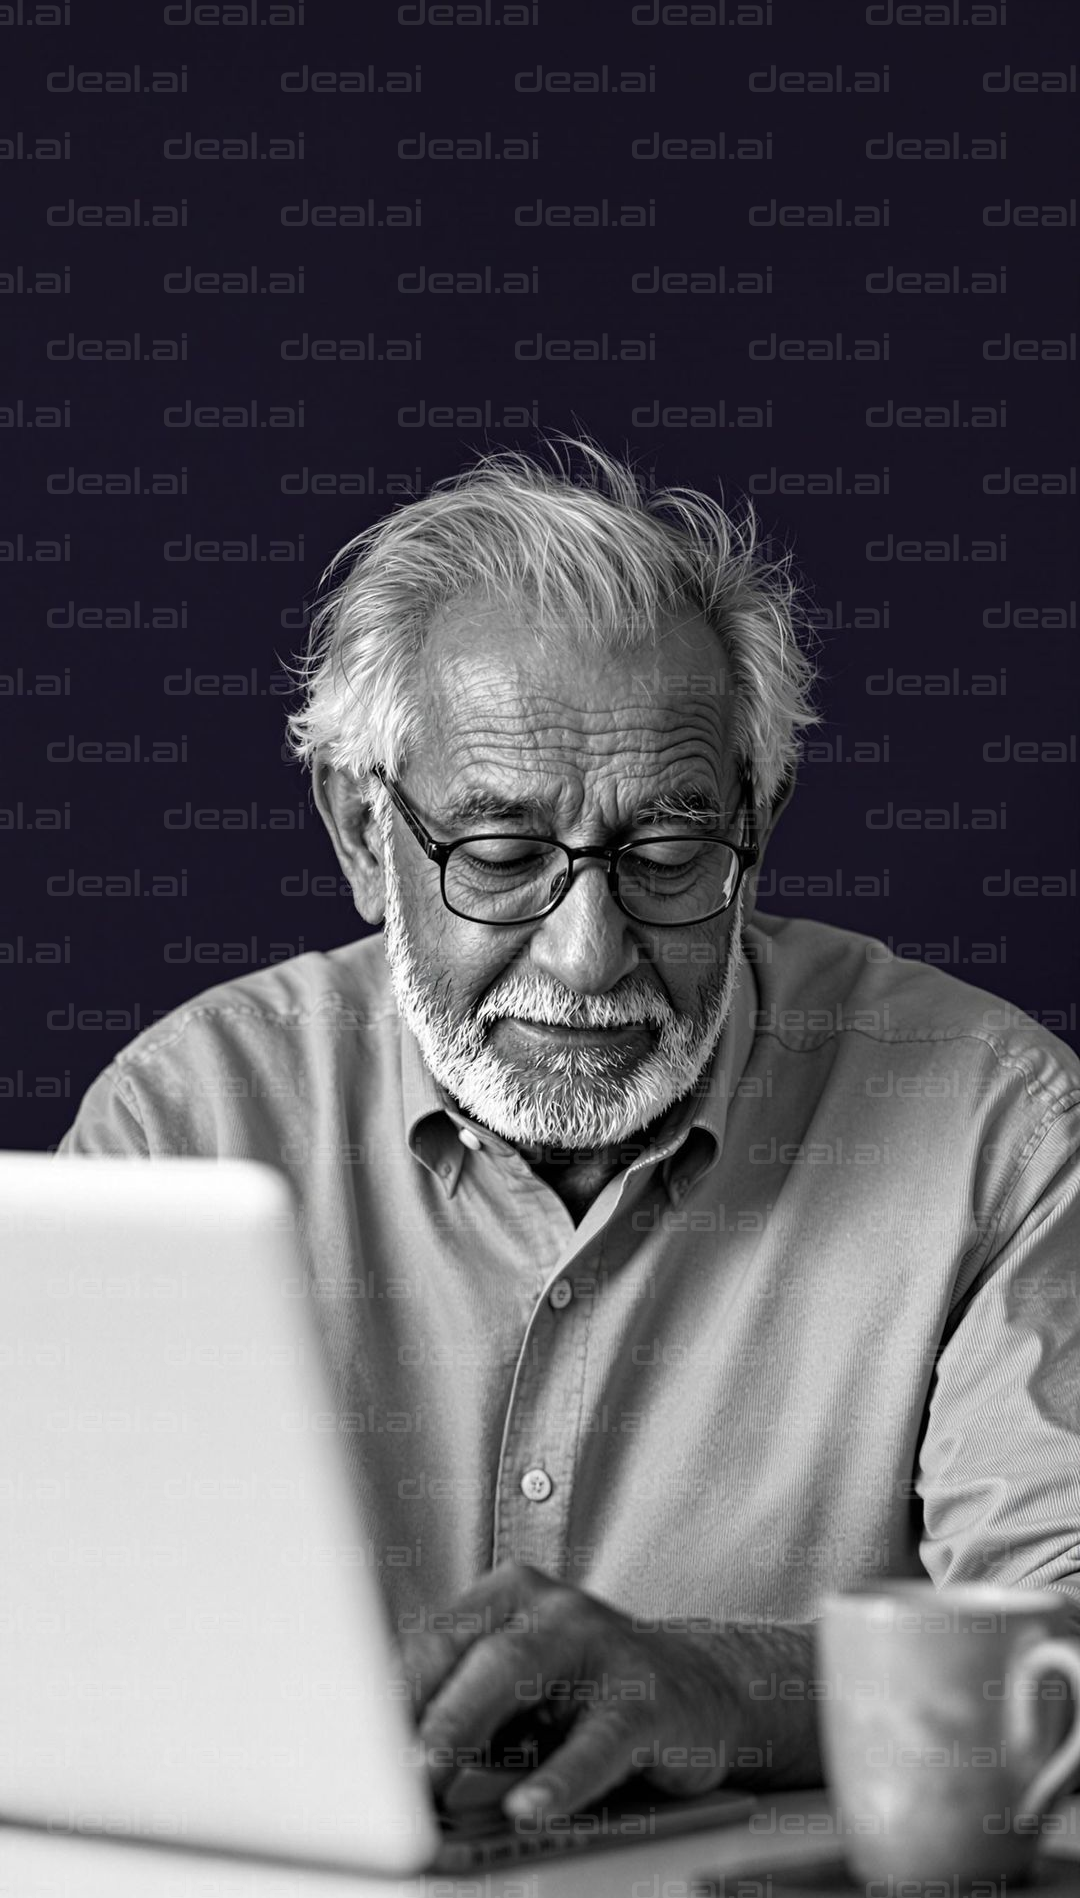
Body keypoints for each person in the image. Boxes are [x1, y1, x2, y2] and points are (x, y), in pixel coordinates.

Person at [58, 441, 1080, 1822]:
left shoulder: (997, 1128)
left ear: (756, 827)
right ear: (367, 837)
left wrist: (730, 1686)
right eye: (500, 858)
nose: (591, 955)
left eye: (667, 858)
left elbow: (1065, 1654)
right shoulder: (184, 1123)